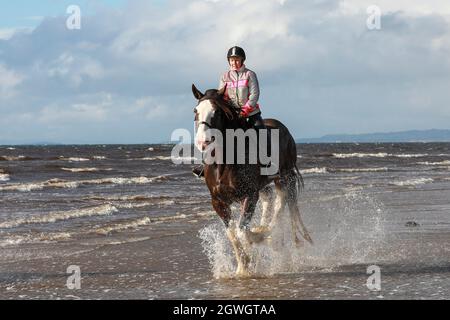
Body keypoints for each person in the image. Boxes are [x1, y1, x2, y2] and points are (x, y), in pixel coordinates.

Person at [193, 46, 269, 178]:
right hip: (232, 114)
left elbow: (254, 95)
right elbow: (221, 97)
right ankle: (204, 165)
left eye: (237, 60)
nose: (234, 63)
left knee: (262, 132)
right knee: (214, 133)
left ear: (242, 60)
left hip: (251, 113)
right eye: (232, 60)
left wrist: (246, 110)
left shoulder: (250, 75)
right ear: (229, 61)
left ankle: (268, 165)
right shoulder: (224, 77)